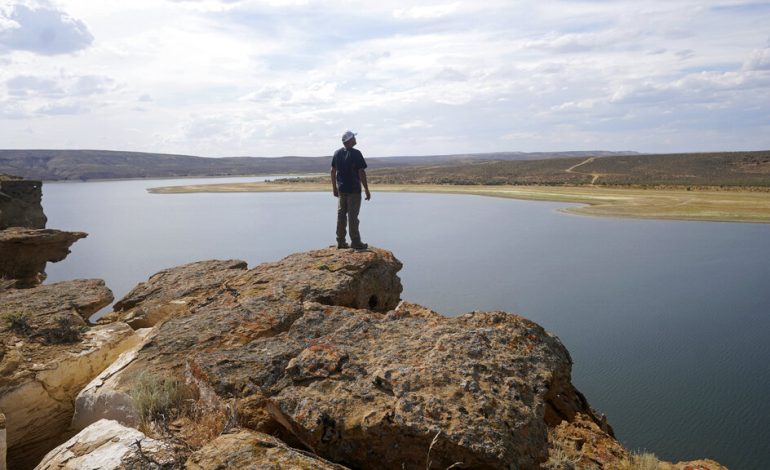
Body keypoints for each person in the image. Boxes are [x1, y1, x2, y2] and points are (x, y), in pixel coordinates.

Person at [331, 130, 371, 249]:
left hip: (342, 190)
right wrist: (367, 190)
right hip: (353, 190)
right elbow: (361, 172)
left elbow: (333, 171)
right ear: (350, 140)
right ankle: (355, 242)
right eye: (353, 137)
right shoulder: (356, 153)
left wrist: (334, 188)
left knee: (341, 216)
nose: (355, 139)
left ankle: (341, 241)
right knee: (353, 217)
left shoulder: (337, 153)